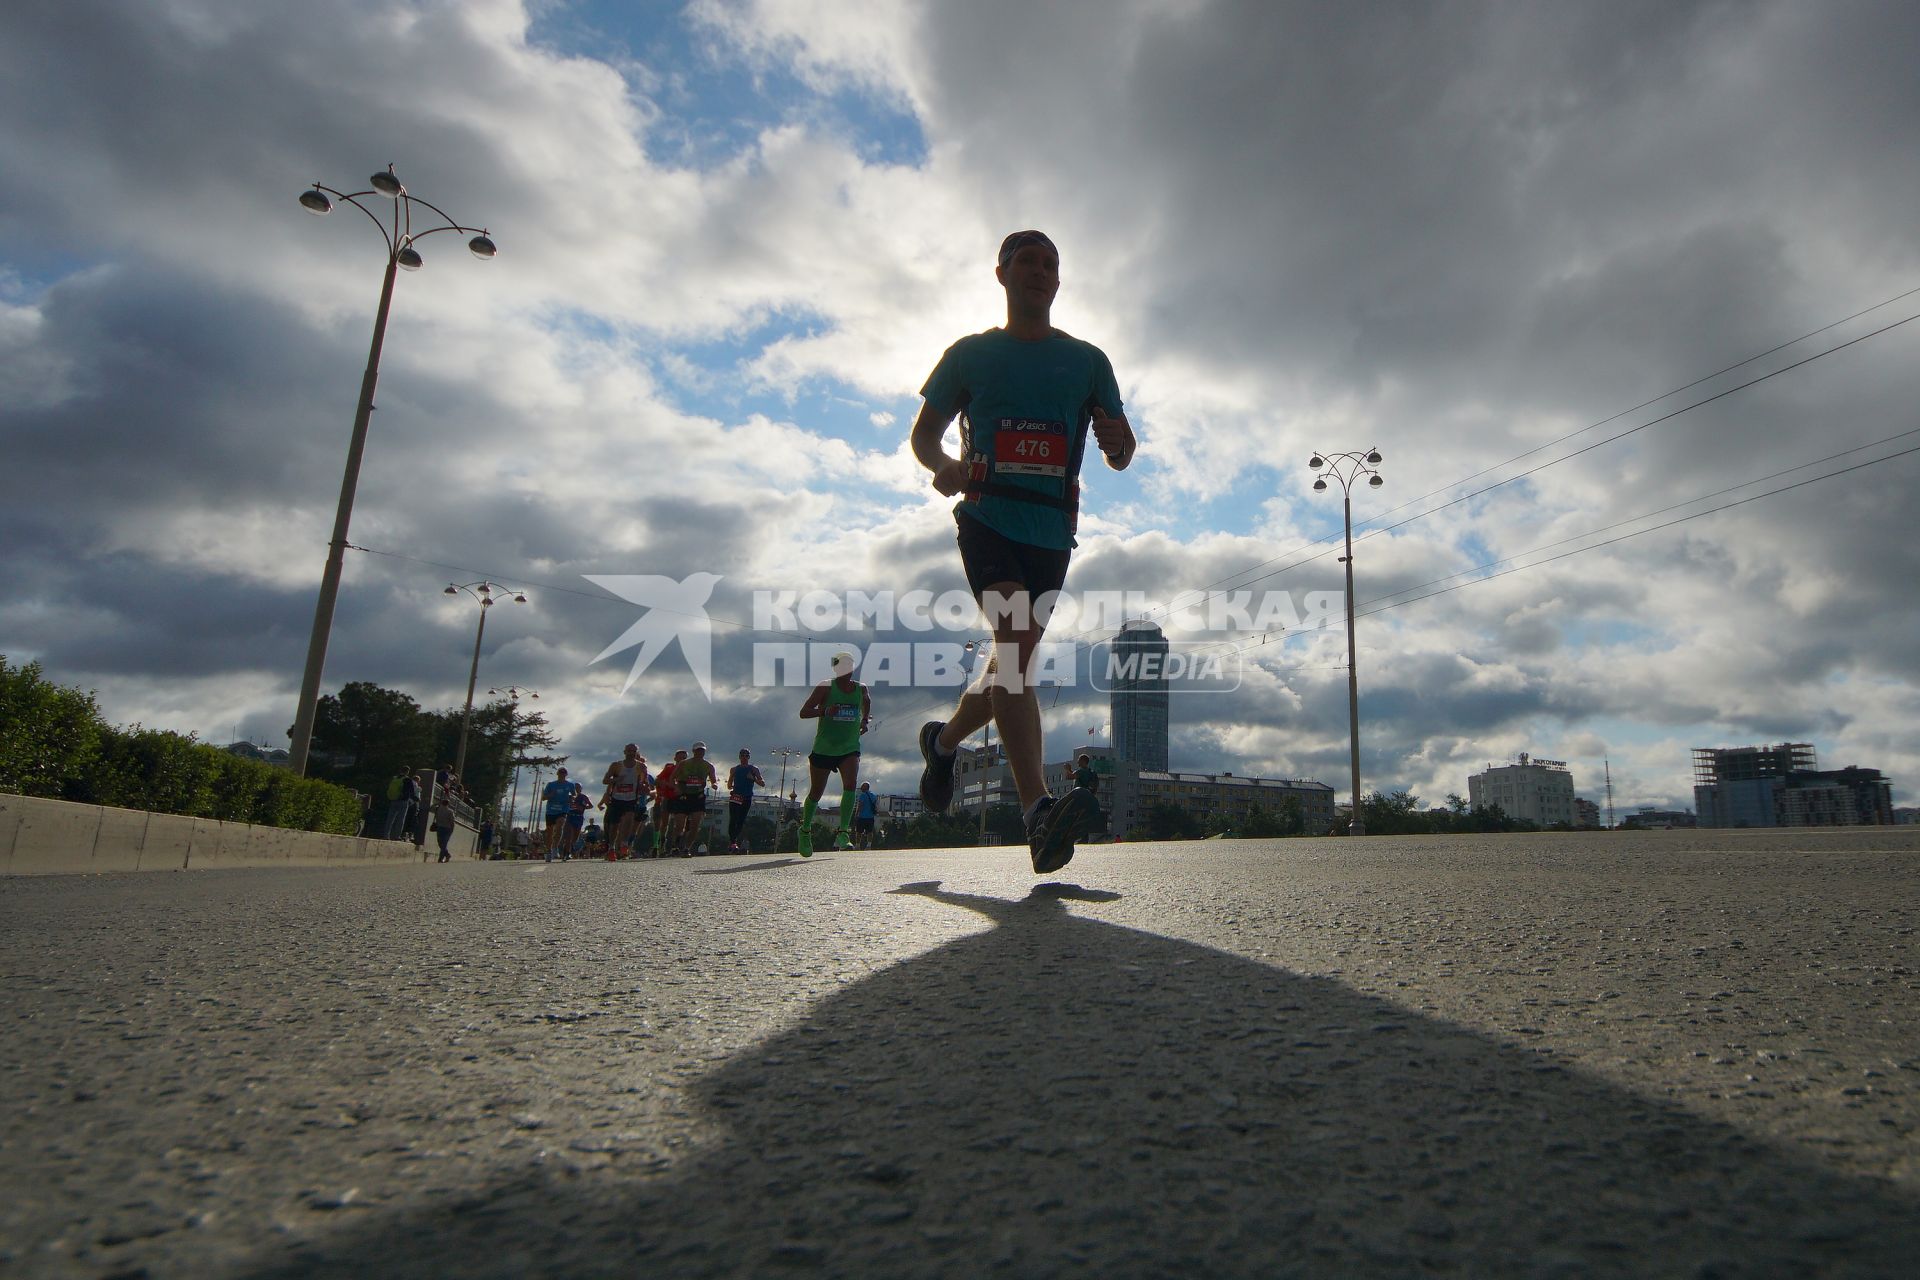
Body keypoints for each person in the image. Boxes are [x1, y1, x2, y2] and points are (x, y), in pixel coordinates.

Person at [911, 229, 1134, 875]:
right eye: (1027, 262)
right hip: (987, 518)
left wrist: (1121, 440)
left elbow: (1120, 453)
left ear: (1058, 282)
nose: (1040, 271)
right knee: (1013, 643)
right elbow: (924, 437)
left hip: (1052, 533)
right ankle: (1037, 813)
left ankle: (945, 742)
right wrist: (944, 465)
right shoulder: (970, 355)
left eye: (1050, 264)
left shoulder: (1089, 360)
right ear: (1002, 274)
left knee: (1009, 666)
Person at [797, 651, 870, 856]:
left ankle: (843, 833)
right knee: (816, 792)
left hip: (849, 747)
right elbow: (804, 712)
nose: (846, 668)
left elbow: (867, 703)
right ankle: (805, 830)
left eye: (849, 664)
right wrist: (824, 711)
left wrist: (864, 721)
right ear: (835, 668)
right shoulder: (825, 687)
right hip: (824, 748)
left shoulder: (861, 688)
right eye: (841, 665)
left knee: (850, 785)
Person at [600, 745, 651, 860]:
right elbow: (605, 780)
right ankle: (612, 848)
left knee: (629, 820)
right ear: (624, 752)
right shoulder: (616, 765)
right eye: (629, 751)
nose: (631, 753)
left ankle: (624, 844)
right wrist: (616, 780)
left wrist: (644, 787)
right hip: (617, 798)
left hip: (631, 798)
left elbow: (645, 782)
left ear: (636, 753)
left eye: (634, 751)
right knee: (614, 825)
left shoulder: (641, 766)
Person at [672, 743, 719, 856]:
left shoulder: (708, 765)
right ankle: (676, 844)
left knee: (695, 825)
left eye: (702, 750)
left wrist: (714, 785)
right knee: (680, 824)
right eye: (698, 750)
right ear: (693, 751)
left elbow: (713, 779)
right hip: (683, 795)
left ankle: (687, 848)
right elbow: (672, 778)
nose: (700, 752)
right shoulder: (684, 763)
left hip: (698, 796)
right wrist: (676, 788)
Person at [726, 749, 765, 853]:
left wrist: (753, 779)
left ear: (749, 757)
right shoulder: (734, 769)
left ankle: (733, 841)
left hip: (746, 797)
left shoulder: (753, 769)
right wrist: (731, 786)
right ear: (739, 757)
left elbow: (762, 783)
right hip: (736, 797)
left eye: (746, 756)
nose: (744, 757)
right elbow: (729, 784)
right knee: (733, 819)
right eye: (742, 755)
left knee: (741, 820)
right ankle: (732, 842)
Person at [540, 768, 580, 862]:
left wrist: (572, 798)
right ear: (557, 774)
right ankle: (548, 851)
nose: (562, 774)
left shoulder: (570, 785)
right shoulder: (551, 785)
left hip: (563, 809)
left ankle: (554, 848)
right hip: (551, 810)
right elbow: (543, 798)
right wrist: (550, 795)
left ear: (566, 774)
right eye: (560, 773)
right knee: (549, 832)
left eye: (563, 773)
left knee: (560, 825)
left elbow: (574, 795)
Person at [651, 751, 684, 856]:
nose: (682, 760)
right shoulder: (669, 769)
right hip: (668, 798)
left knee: (679, 823)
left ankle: (676, 846)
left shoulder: (687, 769)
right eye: (680, 758)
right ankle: (661, 845)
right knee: (664, 823)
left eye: (684, 758)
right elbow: (657, 780)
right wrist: (667, 784)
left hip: (680, 798)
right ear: (675, 758)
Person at [383, 769, 417, 840]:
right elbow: (412, 792)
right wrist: (414, 799)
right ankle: (396, 836)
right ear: (407, 772)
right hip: (403, 801)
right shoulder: (407, 779)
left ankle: (386, 835)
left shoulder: (395, 778)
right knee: (400, 820)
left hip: (393, 800)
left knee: (390, 819)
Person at [853, 781, 879, 850]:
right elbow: (876, 806)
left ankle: (857, 845)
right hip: (871, 817)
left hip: (862, 817)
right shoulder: (873, 795)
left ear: (865, 787)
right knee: (870, 832)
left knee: (858, 832)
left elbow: (860, 805)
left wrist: (856, 814)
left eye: (862, 786)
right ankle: (869, 846)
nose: (861, 787)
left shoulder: (862, 795)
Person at [432, 794, 457, 862]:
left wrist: (451, 829)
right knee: (441, 843)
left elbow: (452, 822)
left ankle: (440, 858)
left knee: (443, 844)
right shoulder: (438, 809)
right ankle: (447, 854)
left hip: (446, 828)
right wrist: (452, 829)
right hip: (441, 828)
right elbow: (452, 822)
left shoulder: (450, 811)